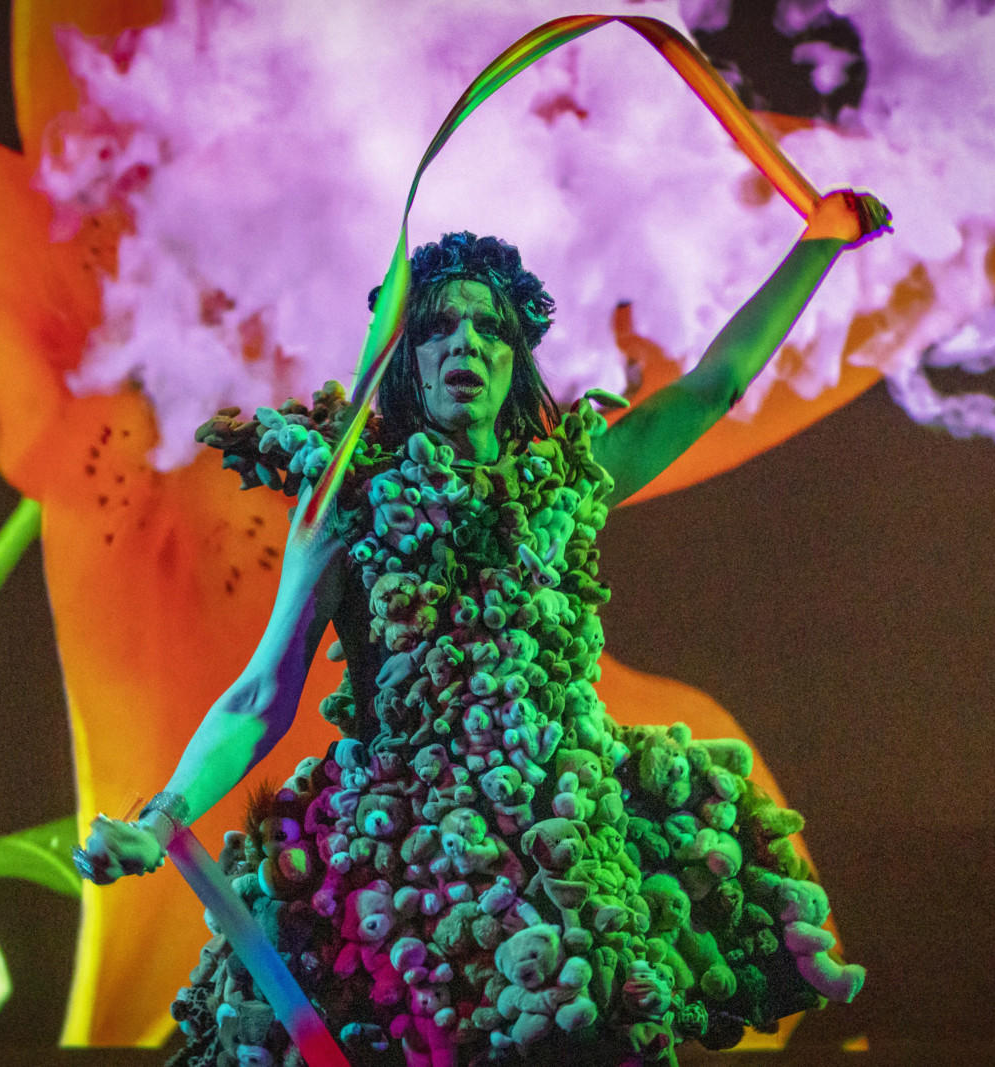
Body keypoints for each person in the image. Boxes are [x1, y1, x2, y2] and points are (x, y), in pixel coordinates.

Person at [77, 189, 889, 1066]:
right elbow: (262, 692)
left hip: (564, 851)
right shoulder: (349, 507)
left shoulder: (573, 480)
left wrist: (820, 242)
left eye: (490, 328)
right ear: (409, 359)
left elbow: (714, 386)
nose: (465, 342)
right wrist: (159, 823)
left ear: (516, 359)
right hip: (402, 862)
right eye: (438, 327)